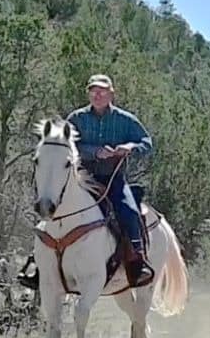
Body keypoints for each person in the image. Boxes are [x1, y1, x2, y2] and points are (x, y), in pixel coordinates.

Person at [65, 74, 154, 288]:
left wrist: (131, 147)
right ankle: (37, 262)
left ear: (111, 93)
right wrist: (93, 152)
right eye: (93, 90)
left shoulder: (125, 120)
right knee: (52, 205)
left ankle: (137, 260)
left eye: (102, 90)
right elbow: (66, 144)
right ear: (88, 93)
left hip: (112, 178)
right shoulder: (76, 119)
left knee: (129, 210)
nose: (97, 94)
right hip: (81, 178)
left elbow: (147, 142)